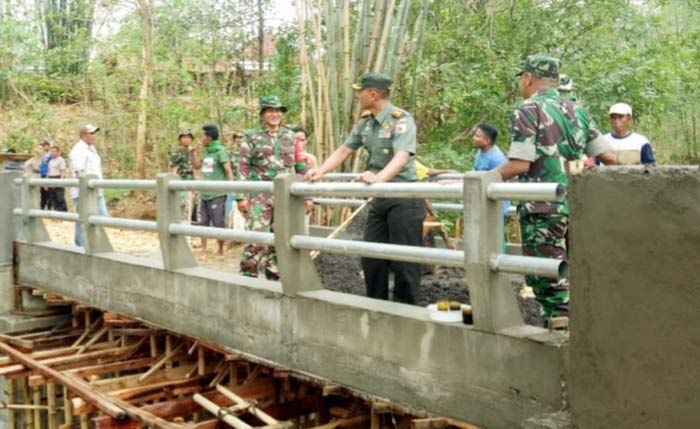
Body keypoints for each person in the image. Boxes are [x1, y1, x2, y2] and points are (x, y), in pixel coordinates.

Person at [496, 55, 617, 319]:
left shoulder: (528, 110)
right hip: (579, 205)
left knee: (547, 276)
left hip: (543, 208)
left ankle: (562, 336)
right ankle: (588, 328)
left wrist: (483, 177)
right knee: (579, 270)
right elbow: (609, 158)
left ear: (528, 78)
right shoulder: (578, 110)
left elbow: (519, 164)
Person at [306, 73, 425, 304]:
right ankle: (376, 306)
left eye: (361, 91)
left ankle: (407, 311)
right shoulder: (367, 122)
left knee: (405, 260)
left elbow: (401, 157)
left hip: (404, 196)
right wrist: (321, 171)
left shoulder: (401, 120)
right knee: (371, 256)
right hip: (380, 197)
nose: (358, 95)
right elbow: (344, 150)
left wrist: (379, 178)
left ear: (373, 94)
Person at [237, 96, 311, 280]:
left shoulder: (291, 137)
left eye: (278, 111)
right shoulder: (251, 136)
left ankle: (275, 276)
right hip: (259, 194)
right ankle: (248, 275)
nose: (275, 114)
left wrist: (307, 195)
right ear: (263, 114)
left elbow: (301, 166)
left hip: (285, 195)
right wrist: (241, 196)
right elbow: (243, 167)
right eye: (270, 110)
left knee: (282, 237)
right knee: (257, 237)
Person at [191, 124, 233, 255]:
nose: (201, 138)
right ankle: (204, 249)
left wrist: (232, 190)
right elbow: (197, 166)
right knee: (203, 222)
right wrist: (192, 153)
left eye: (203, 136)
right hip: (204, 194)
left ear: (209, 137)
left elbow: (228, 171)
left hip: (218, 194)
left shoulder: (220, 151)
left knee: (218, 223)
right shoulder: (207, 151)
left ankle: (220, 250)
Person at [70, 124, 109, 247]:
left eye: (94, 133)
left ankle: (85, 244)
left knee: (100, 217)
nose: (94, 136)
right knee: (85, 220)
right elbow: (79, 172)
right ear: (84, 135)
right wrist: (86, 189)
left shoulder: (91, 148)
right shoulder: (78, 150)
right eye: (91, 133)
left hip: (96, 189)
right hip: (85, 191)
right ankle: (82, 246)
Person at [472, 123, 510, 219]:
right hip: (483, 205)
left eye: (477, 136)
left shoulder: (497, 158)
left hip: (496, 209)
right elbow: (474, 174)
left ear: (487, 141)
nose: (473, 138)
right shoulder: (480, 152)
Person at [169, 128, 197, 225]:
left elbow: (195, 167)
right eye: (184, 137)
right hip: (180, 185)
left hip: (190, 184)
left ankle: (186, 233)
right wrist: (174, 187)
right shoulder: (177, 152)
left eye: (188, 137)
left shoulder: (191, 152)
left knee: (189, 209)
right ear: (180, 139)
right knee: (181, 209)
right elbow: (174, 171)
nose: (186, 139)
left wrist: (194, 186)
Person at [46, 146, 68, 212]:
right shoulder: (50, 161)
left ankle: (64, 213)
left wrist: (61, 181)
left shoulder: (60, 160)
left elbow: (63, 171)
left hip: (58, 178)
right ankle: (57, 213)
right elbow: (49, 172)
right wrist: (46, 182)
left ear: (58, 152)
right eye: (51, 151)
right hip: (51, 178)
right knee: (52, 197)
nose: (52, 153)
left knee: (60, 197)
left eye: (54, 151)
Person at [38, 140, 52, 209]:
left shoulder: (51, 155)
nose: (43, 147)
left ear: (49, 146)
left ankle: (49, 209)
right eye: (42, 146)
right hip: (42, 175)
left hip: (47, 175)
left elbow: (50, 167)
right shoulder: (43, 155)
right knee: (42, 193)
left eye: (44, 145)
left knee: (48, 193)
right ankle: (42, 208)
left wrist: (47, 176)